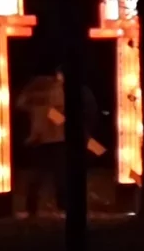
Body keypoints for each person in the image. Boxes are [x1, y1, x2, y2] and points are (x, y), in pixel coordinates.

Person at [16, 68, 97, 217]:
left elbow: (23, 104)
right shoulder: (52, 89)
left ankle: (37, 207)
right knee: (55, 174)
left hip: (45, 138)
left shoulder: (37, 89)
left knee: (45, 175)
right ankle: (57, 206)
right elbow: (55, 113)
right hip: (53, 138)